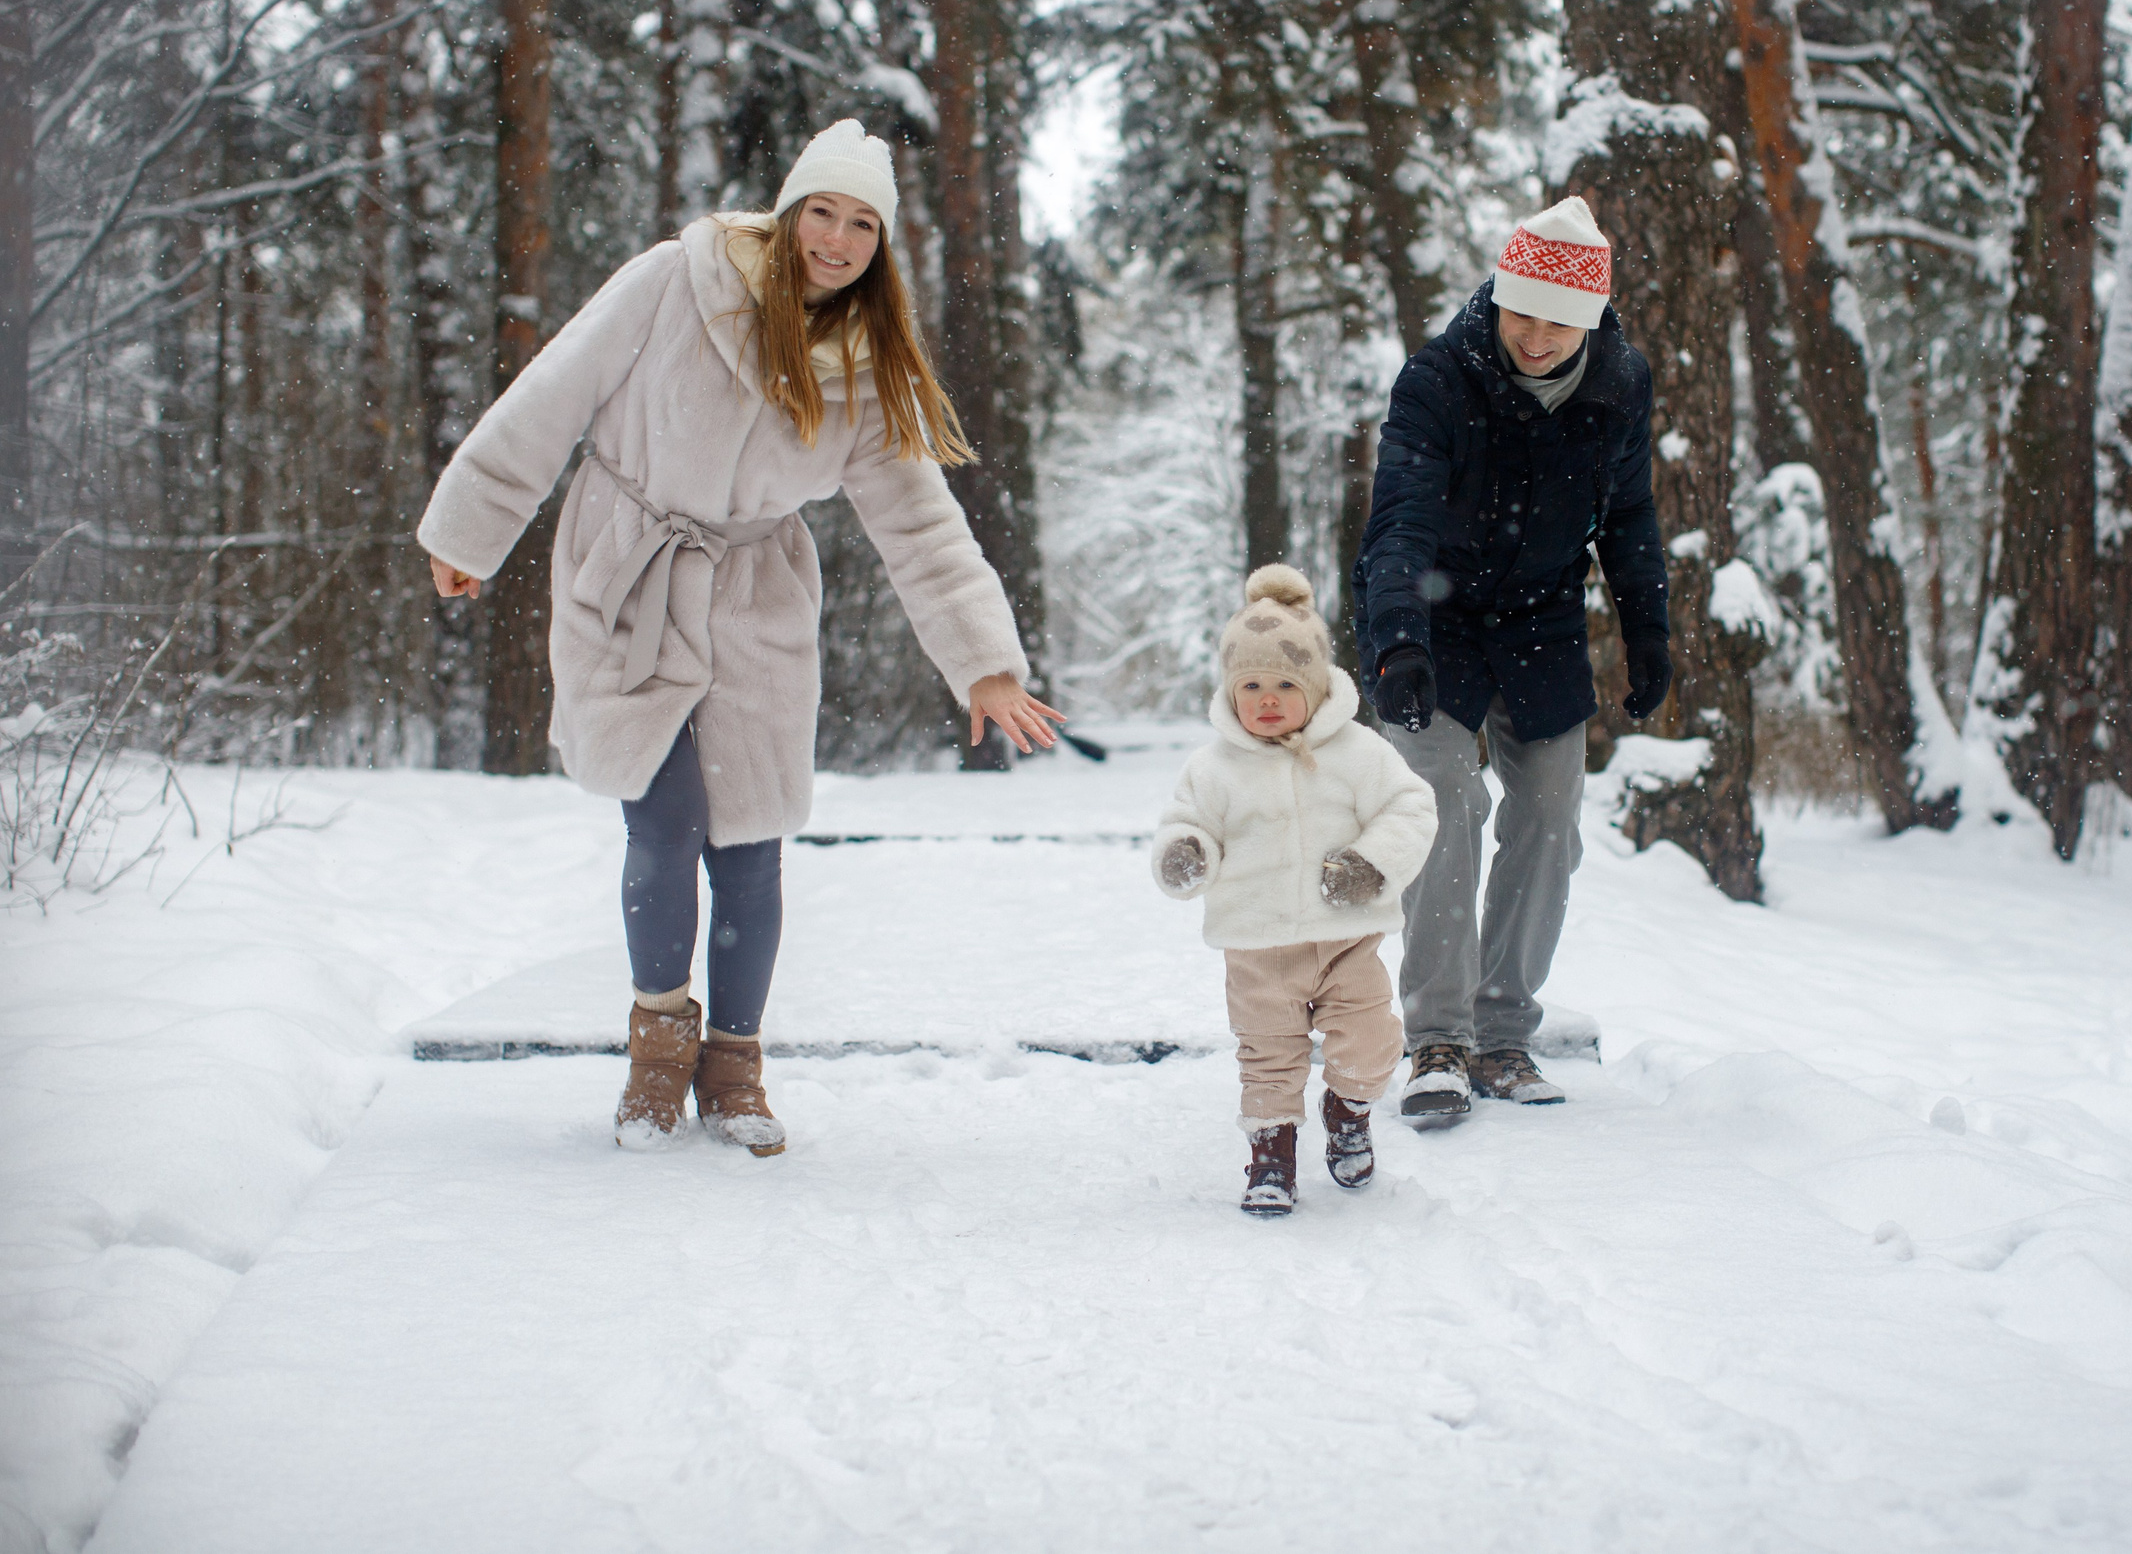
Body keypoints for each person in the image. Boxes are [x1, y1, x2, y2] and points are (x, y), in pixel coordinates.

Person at [417, 119, 1061, 1157]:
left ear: (880, 245)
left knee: (750, 843)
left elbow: (920, 526)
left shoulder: (865, 366)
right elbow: (554, 394)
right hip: (627, 569)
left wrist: (983, 664)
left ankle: (736, 1072)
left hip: (755, 592)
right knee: (663, 820)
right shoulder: (678, 279)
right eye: (823, 212)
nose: (838, 240)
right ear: (789, 207)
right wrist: (472, 527)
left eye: (862, 225)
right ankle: (656, 1058)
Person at [1352, 195, 1670, 1126]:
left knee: (1550, 814)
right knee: (1443, 801)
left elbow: (1630, 515)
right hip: (1436, 622)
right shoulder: (1440, 377)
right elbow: (1399, 519)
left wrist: (1647, 626)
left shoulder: (1619, 383)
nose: (1537, 335)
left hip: (1541, 621)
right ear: (1498, 295)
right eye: (1522, 310)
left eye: (1561, 318)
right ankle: (1438, 1039)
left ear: (1593, 317)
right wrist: (1399, 637)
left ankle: (1503, 1032)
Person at [1152, 565, 1438, 1216]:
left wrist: (1372, 863)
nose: (1268, 698)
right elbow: (1187, 821)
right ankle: (1271, 1155)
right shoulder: (1214, 767)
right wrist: (1185, 853)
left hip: (1346, 938)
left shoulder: (1357, 752)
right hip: (1258, 946)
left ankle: (1349, 1107)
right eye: (1251, 684)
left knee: (1371, 1042)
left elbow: (1411, 808)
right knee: (1268, 1056)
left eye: (1286, 683)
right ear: (1231, 688)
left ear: (1314, 685)